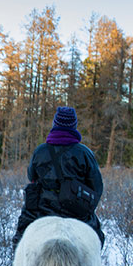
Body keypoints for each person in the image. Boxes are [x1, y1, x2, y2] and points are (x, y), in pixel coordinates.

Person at [12, 106, 105, 249]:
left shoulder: (40, 151)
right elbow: (97, 187)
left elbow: (31, 176)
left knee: (21, 239)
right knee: (98, 239)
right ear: (74, 126)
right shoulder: (85, 153)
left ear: (55, 124)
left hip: (42, 210)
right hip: (77, 213)